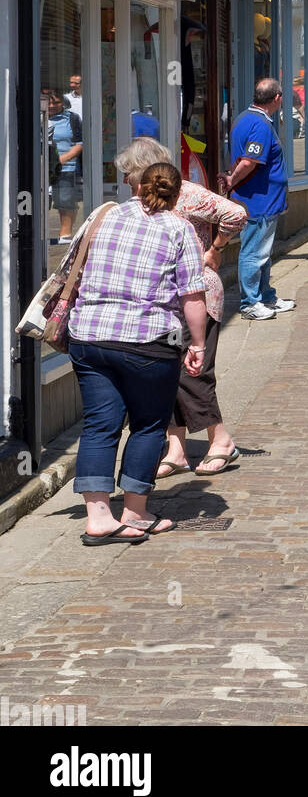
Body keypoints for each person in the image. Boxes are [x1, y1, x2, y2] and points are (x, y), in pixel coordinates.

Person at [67, 163, 207, 543]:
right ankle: (135, 512)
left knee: (99, 423)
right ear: (177, 195)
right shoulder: (179, 229)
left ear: (136, 187)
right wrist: (197, 342)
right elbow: (192, 294)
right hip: (147, 342)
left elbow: (71, 265)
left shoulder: (104, 216)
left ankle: (98, 518)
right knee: (147, 423)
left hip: (90, 336)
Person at [116, 139, 247, 479]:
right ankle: (176, 449)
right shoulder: (143, 199)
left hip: (198, 296)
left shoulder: (186, 193)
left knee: (193, 373)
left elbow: (236, 213)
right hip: (166, 301)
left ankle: (221, 440)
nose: (127, 181)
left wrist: (215, 248)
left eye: (130, 174)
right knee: (168, 372)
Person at [221, 77, 295, 321]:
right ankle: (250, 302)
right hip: (259, 200)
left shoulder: (244, 118)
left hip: (263, 199)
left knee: (262, 251)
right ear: (277, 98)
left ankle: (265, 296)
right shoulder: (260, 125)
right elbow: (249, 161)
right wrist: (232, 179)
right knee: (254, 252)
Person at [45, 88, 84, 240]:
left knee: (65, 202)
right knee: (42, 202)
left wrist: (62, 159)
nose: (52, 106)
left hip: (65, 167)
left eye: (56, 102)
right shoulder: (35, 116)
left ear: (63, 103)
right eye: (48, 102)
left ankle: (65, 235)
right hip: (40, 167)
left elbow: (80, 143)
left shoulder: (72, 118)